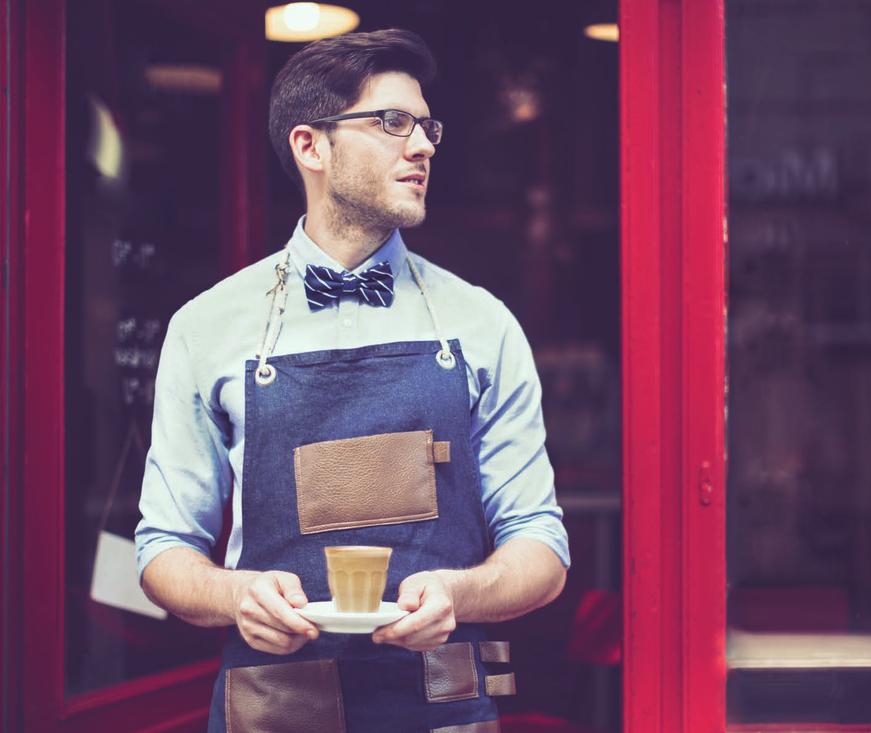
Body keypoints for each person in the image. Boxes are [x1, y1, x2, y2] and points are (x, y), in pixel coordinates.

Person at [134, 28, 569, 733]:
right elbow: (160, 552)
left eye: (426, 126)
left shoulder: (482, 324)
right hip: (271, 710)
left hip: (442, 704)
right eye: (393, 123)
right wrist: (233, 595)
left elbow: (541, 550)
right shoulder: (207, 328)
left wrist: (461, 592)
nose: (424, 146)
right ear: (312, 146)